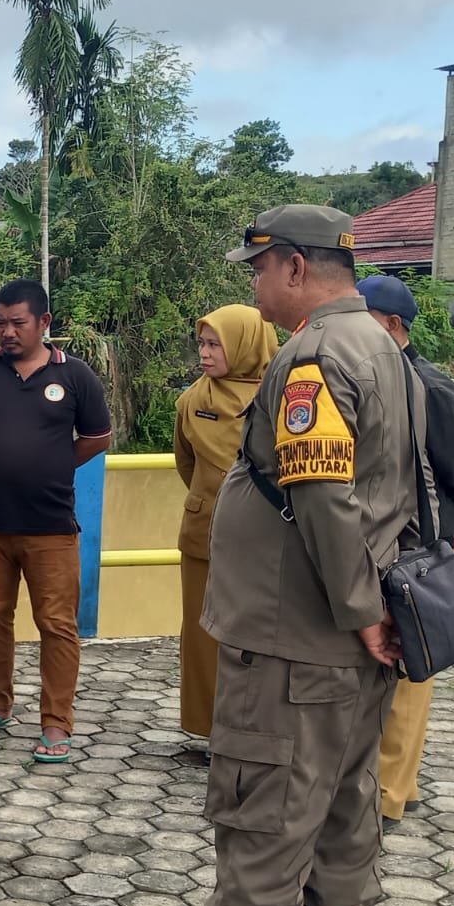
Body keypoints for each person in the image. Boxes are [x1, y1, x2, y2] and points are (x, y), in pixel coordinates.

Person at [143, 205, 429, 906]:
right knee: (344, 786)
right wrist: (377, 607)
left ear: (296, 267)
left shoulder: (315, 356)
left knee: (266, 784)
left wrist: (357, 607)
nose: (255, 284)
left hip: (300, 621)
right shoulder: (383, 344)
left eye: (259, 268)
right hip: (358, 622)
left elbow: (324, 494)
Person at [0, 280, 113, 762]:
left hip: (50, 526)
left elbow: (97, 437)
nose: (7, 332)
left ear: (44, 324)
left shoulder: (76, 377)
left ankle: (56, 722)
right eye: (0, 322)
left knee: (56, 624)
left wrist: (53, 466)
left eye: (18, 323)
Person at [357, 274, 454, 825]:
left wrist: (442, 523)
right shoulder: (365, 379)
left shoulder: (428, 387)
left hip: (417, 551)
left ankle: (389, 792)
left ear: (392, 326)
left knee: (411, 668)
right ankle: (383, 784)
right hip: (374, 543)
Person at [173, 305, 279, 755]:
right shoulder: (192, 399)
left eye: (215, 343)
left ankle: (256, 727)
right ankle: (208, 728)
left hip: (264, 537)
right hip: (204, 531)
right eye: (202, 343)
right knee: (201, 635)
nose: (205, 353)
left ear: (245, 344)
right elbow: (186, 463)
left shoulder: (284, 395)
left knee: (260, 635)